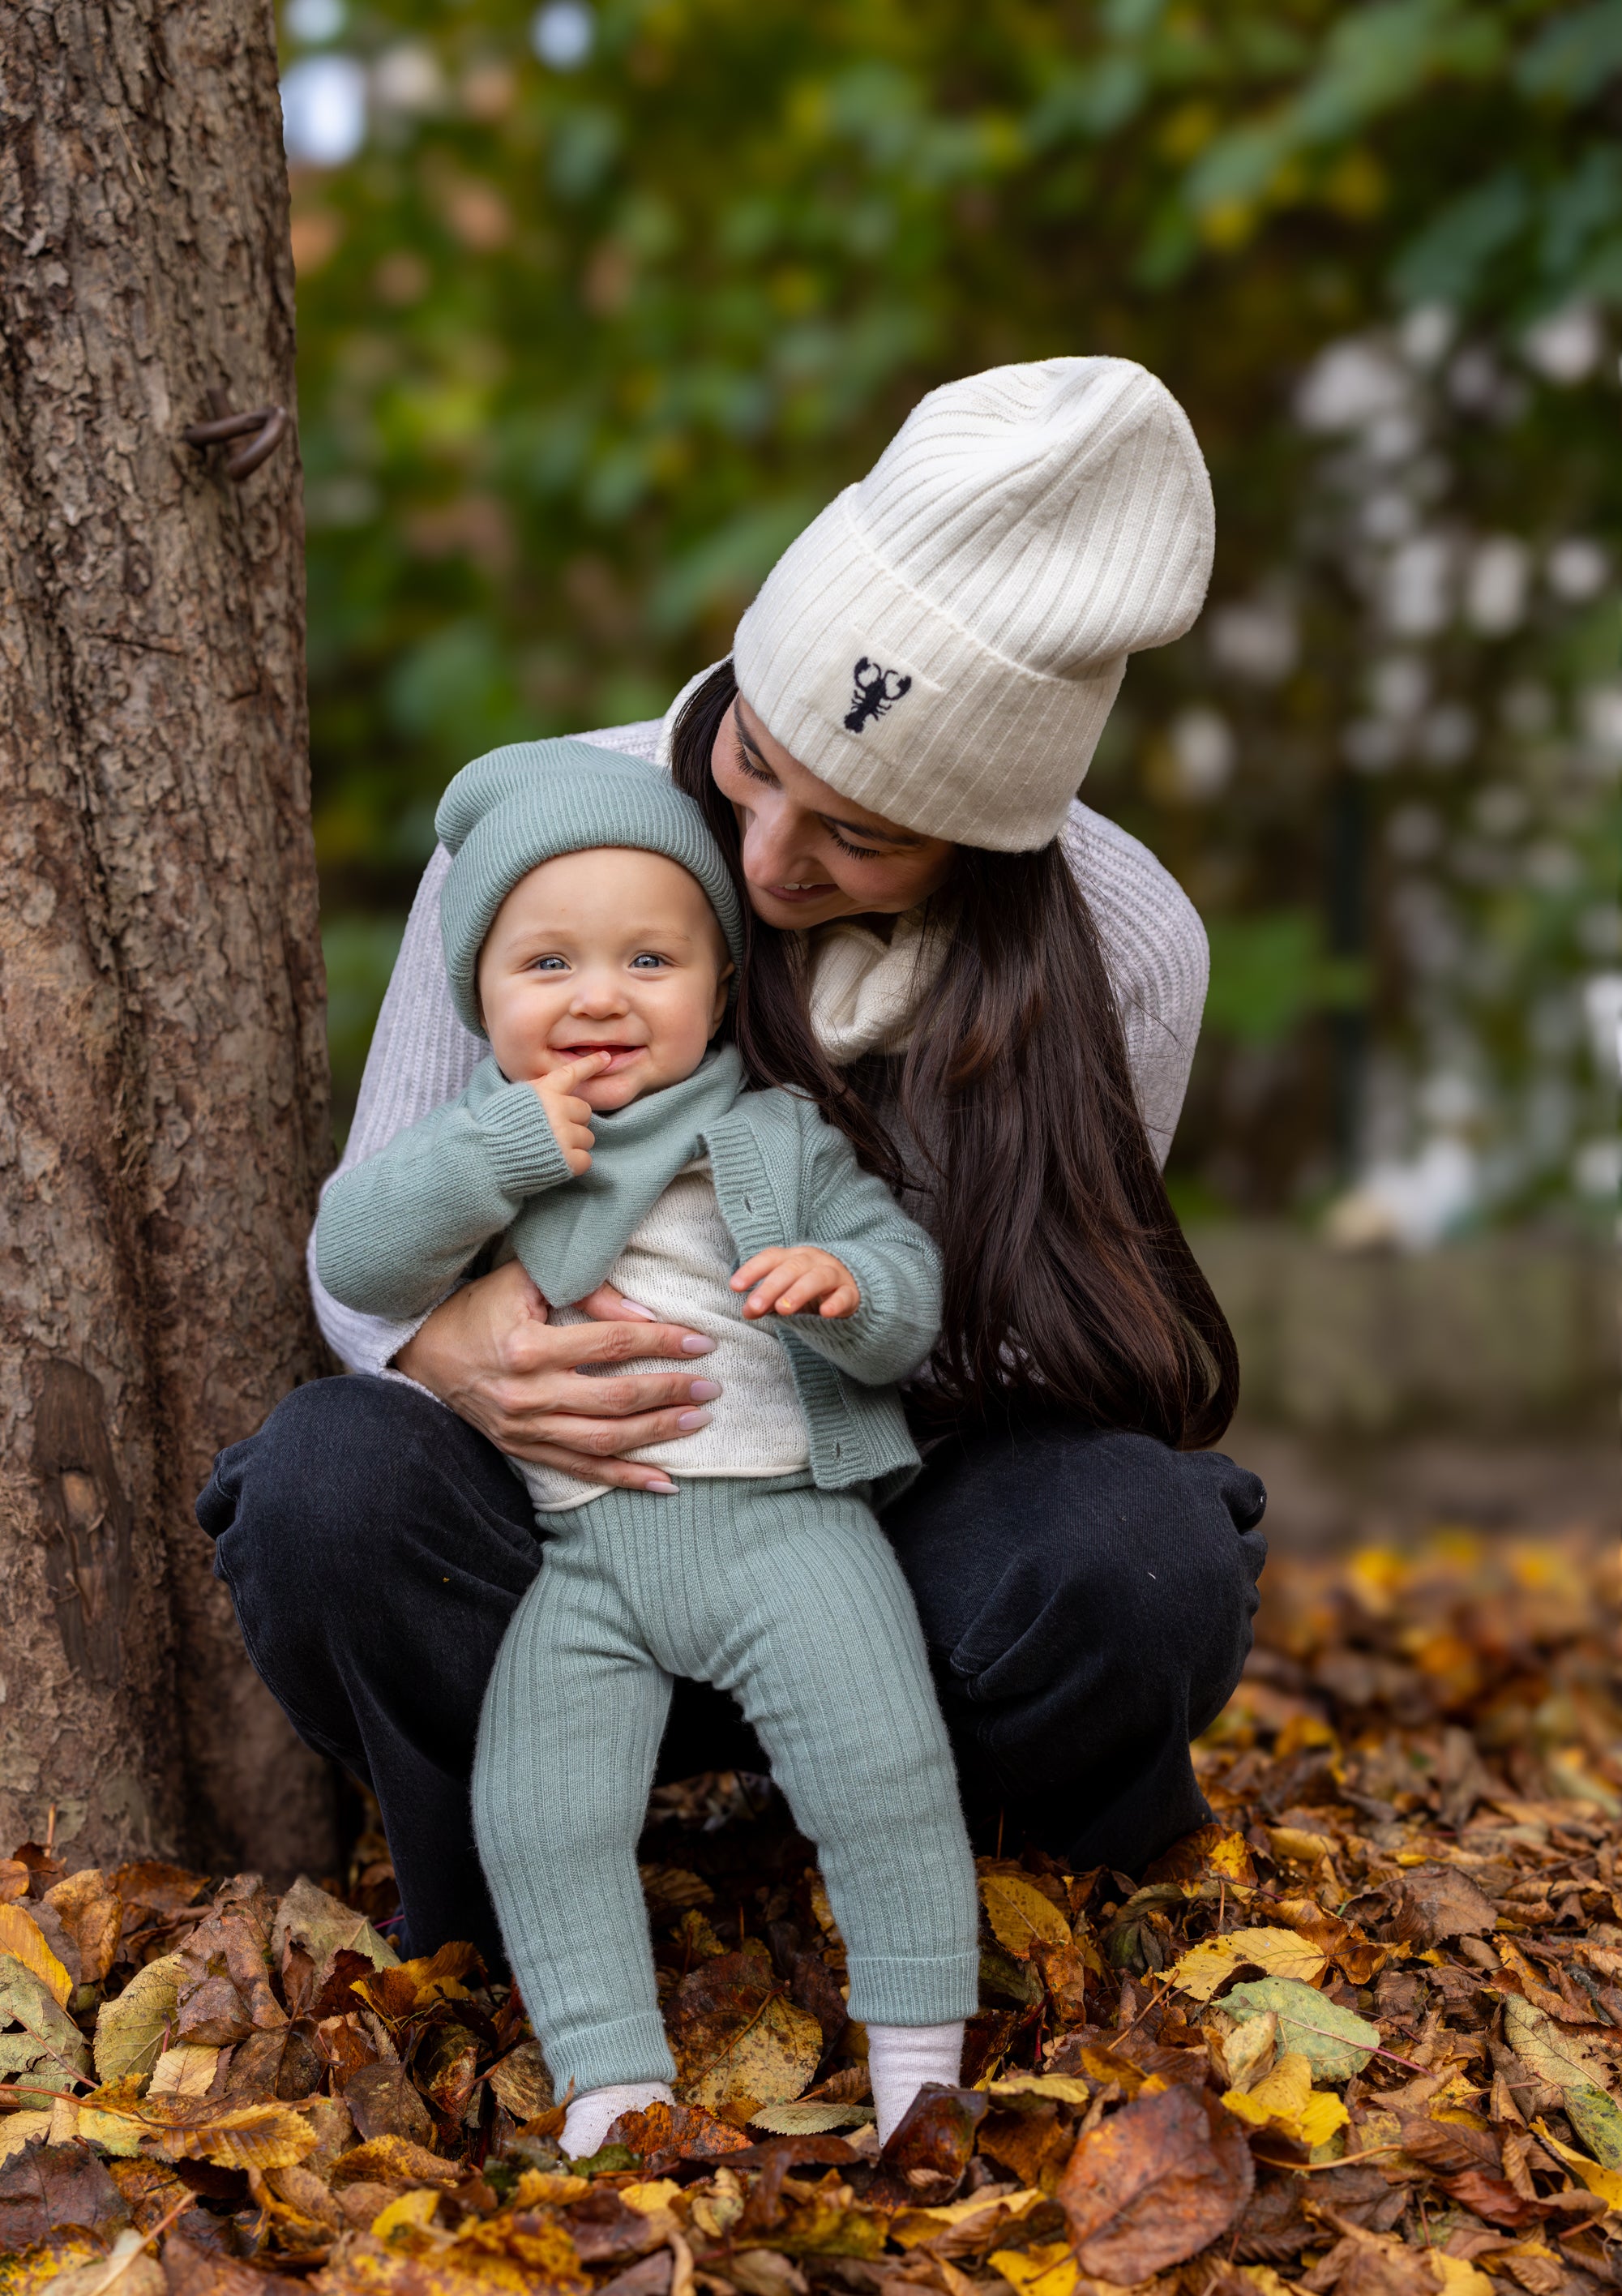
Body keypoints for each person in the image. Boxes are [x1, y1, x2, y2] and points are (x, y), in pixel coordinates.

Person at [199, 355, 1267, 1973]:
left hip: (883, 1543)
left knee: (1135, 1546)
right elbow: (369, 1227)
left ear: (983, 839)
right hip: (566, 1517)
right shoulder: (548, 842)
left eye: (859, 836)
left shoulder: (1122, 949)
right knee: (323, 1486)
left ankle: (975, 1841)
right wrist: (436, 1342)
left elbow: (1063, 1360)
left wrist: (845, 1324)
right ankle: (492, 1883)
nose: (765, 859)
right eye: (757, 761)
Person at [312, 740, 978, 2153]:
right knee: (538, 1808)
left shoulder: (779, 1129)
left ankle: (919, 2061)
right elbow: (355, 1258)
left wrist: (847, 1291)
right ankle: (612, 2084)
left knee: (885, 1768)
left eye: (649, 963)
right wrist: (488, 1153)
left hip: (792, 1534)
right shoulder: (482, 1149)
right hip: (584, 1560)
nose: (599, 999)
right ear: (479, 999)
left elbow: (904, 1281)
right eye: (545, 967)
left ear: (722, 987)